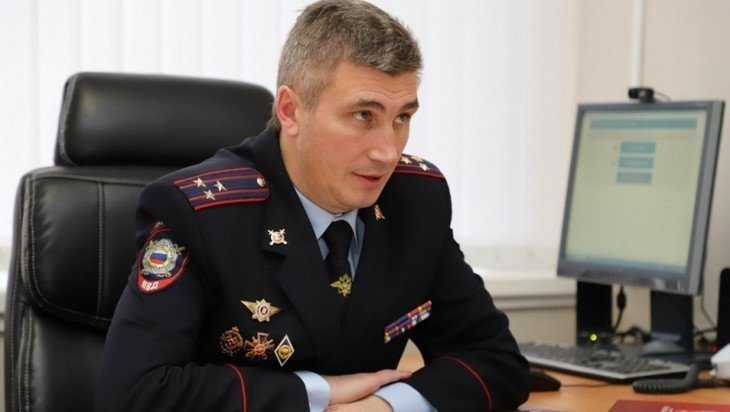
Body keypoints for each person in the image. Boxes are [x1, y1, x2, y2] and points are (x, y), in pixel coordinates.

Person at [96, 1, 529, 411]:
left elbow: (497, 360)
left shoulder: (415, 200)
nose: (387, 152)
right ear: (290, 111)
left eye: (402, 118)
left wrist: (387, 405)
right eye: (363, 115)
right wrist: (315, 395)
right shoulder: (202, 213)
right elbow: (133, 392)